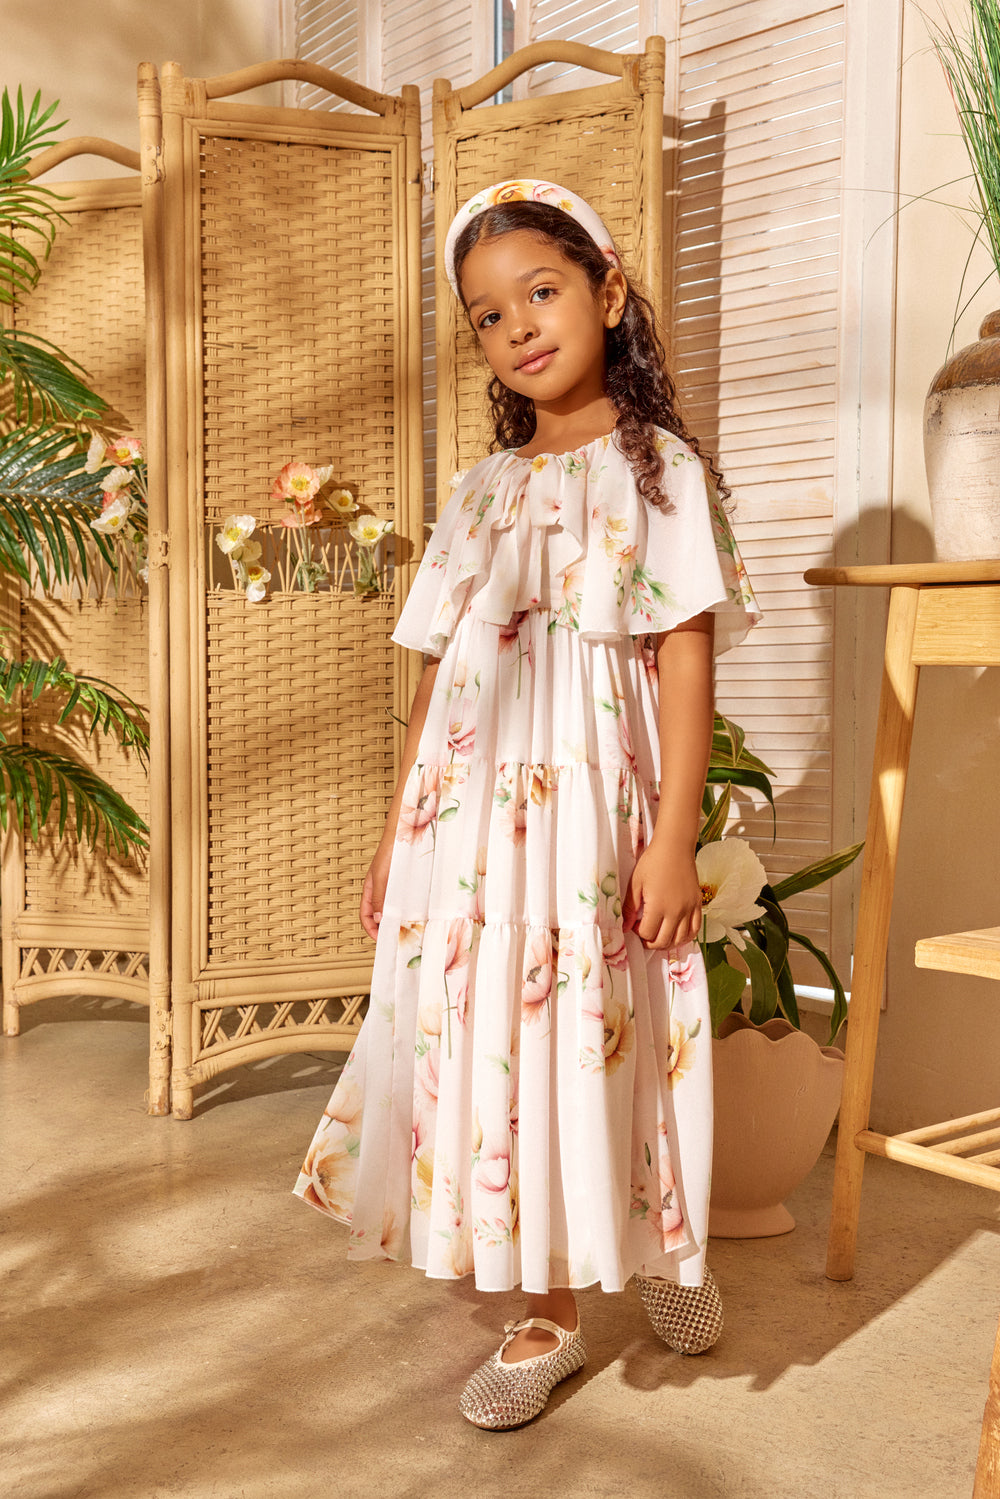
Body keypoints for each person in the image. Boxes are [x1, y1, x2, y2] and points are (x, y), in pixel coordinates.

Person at [294, 179, 760, 1430]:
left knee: (614, 1018)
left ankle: (661, 1248)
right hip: (468, 817)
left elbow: (686, 660)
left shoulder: (659, 471)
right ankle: (546, 1310)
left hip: (598, 808)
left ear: (607, 291)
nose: (519, 327)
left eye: (540, 293)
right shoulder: (478, 489)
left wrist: (672, 837)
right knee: (506, 1037)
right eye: (488, 315)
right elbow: (437, 675)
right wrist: (400, 830)